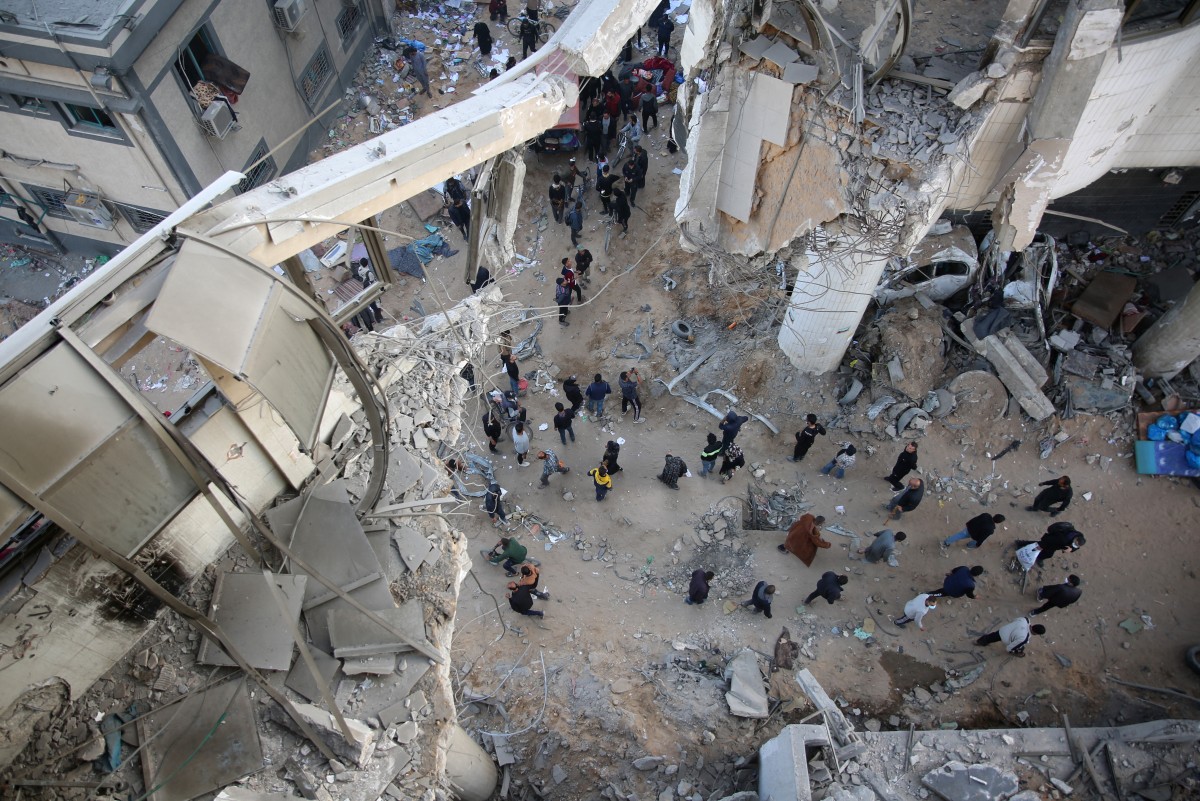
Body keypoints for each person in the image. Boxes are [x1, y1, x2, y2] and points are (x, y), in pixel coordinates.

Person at [976, 617, 1045, 657]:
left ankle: (980, 642)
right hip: (1005, 638)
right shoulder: (1024, 638)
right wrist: (1011, 651)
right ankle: (1017, 652)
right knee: (1018, 647)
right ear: (1036, 633)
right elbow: (1009, 648)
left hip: (1003, 630)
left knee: (990, 637)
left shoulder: (1026, 619)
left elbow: (1014, 620)